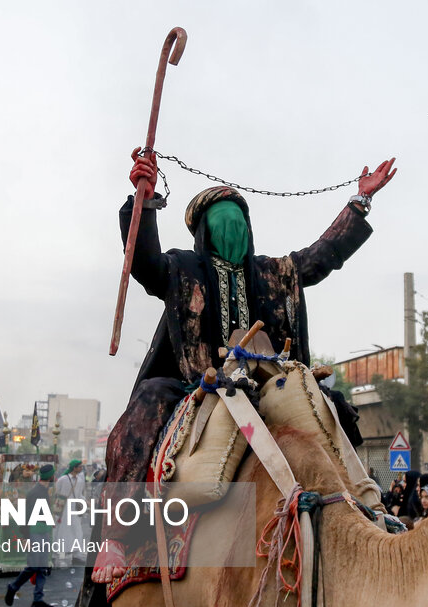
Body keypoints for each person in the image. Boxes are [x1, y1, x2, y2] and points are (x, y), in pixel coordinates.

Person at [90, 149, 397, 584]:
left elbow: (321, 257)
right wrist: (145, 199)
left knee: (332, 406)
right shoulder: (182, 269)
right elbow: (145, 262)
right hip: (196, 383)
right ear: (204, 228)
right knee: (146, 403)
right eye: (221, 216)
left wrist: (359, 203)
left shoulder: (272, 272)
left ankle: (362, 509)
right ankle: (117, 537)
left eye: (238, 216)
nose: (231, 224)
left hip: (264, 383)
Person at [5, 464, 55, 607]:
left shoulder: (43, 491)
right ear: (50, 477)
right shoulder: (35, 492)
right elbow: (26, 515)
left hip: (43, 531)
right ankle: (13, 587)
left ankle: (38, 598)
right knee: (34, 565)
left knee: (42, 566)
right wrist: (25, 536)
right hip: (34, 532)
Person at [54, 459, 86, 566]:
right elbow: (56, 492)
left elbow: (79, 494)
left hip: (74, 509)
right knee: (62, 531)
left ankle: (76, 555)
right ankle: (57, 554)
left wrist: (85, 502)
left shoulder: (80, 481)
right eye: (79, 466)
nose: (81, 468)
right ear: (74, 468)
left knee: (77, 530)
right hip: (63, 509)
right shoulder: (63, 479)